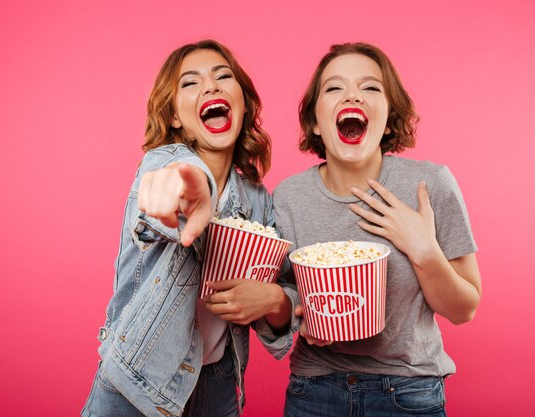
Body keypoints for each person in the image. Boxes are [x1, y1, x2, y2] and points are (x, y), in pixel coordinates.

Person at [81, 39, 298, 417]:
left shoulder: (258, 200)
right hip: (138, 378)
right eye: (191, 83)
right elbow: (173, 187)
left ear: (243, 103)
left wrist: (275, 301)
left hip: (219, 386)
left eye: (222, 76)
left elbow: (280, 308)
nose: (211, 86)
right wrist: (188, 188)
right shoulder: (162, 163)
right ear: (175, 117)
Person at [273, 42, 482, 417]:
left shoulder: (429, 184)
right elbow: (285, 294)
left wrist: (423, 250)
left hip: (409, 390)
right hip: (315, 388)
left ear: (388, 118)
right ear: (316, 122)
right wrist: (301, 318)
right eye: (334, 88)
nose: (353, 94)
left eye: (370, 87)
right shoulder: (288, 196)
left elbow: (464, 309)